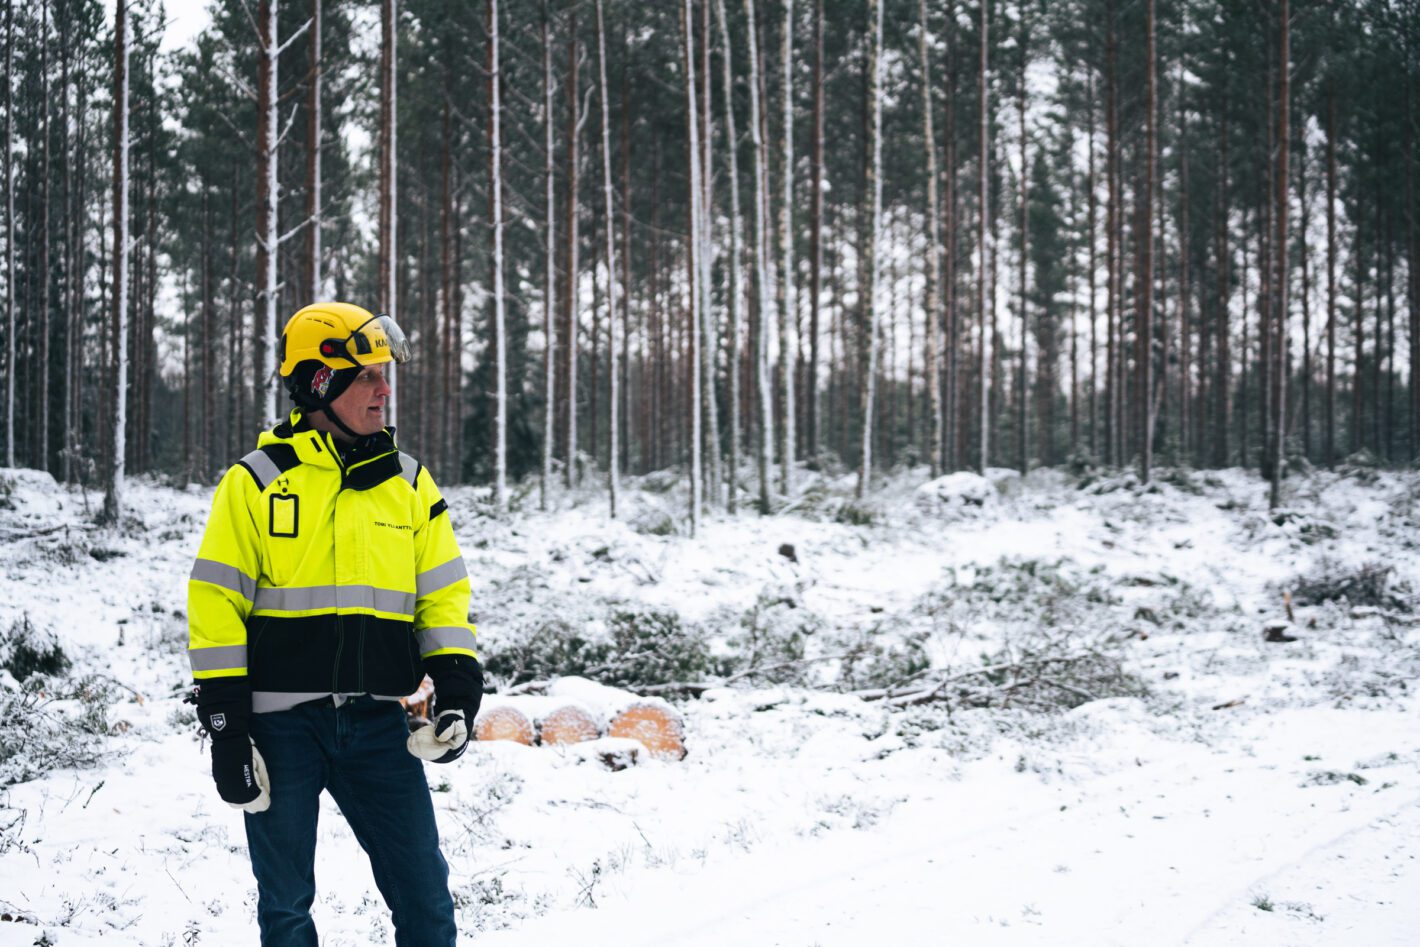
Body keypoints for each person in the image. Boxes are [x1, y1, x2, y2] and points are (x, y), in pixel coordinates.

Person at [186, 302, 482, 947]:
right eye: (367, 375)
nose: (384, 390)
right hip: (280, 727)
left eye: (384, 374)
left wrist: (457, 685)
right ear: (319, 382)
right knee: (287, 906)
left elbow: (442, 593)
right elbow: (215, 604)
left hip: (380, 724)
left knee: (426, 902)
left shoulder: (407, 482)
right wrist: (226, 725)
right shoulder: (257, 483)